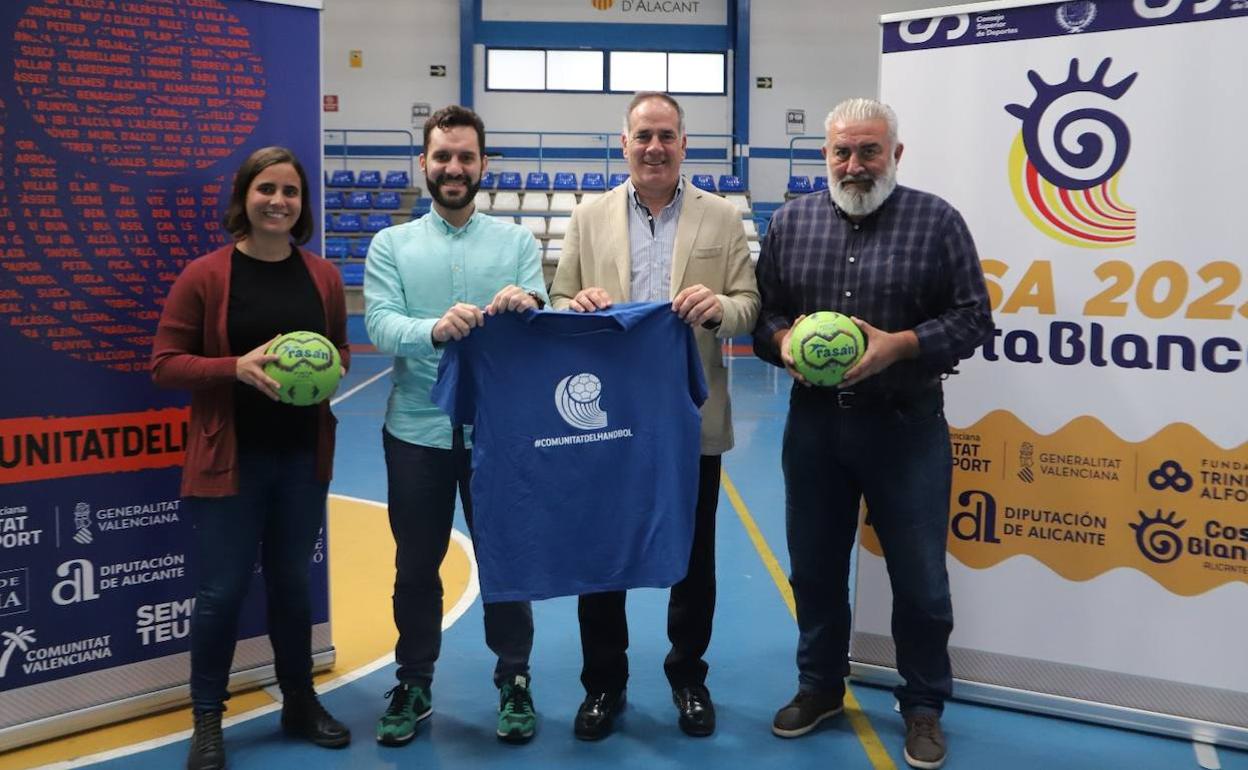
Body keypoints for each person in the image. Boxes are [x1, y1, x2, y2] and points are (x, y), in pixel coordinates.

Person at [752, 97, 993, 769]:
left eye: (868, 151)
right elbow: (764, 316)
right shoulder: (792, 223)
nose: (854, 165)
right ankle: (820, 686)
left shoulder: (936, 221)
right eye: (841, 152)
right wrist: (784, 342)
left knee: (920, 579)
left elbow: (975, 317)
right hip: (816, 431)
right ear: (823, 154)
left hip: (906, 427)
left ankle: (922, 706)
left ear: (895, 154)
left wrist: (903, 345)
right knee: (815, 569)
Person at [549, 91, 760, 740]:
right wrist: (575, 301)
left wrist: (721, 308)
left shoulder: (722, 218)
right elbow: (557, 298)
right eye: (643, 136)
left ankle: (687, 677)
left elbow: (751, 304)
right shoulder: (587, 215)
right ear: (625, 144)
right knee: (602, 553)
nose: (654, 147)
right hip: (606, 418)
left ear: (684, 144)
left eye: (666, 135)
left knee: (693, 558)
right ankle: (603, 685)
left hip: (689, 416)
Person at [151, 146, 351, 770]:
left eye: (291, 192)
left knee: (293, 586)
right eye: (267, 189)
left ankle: (299, 701)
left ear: (302, 205)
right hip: (230, 462)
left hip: (300, 460)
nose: (279, 202)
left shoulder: (321, 276)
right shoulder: (205, 276)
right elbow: (164, 364)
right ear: (244, 197)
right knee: (221, 593)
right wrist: (233, 368)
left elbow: (340, 352)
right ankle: (207, 720)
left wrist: (320, 373)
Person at [364, 105, 548, 746]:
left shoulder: (518, 242)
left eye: (466, 156)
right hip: (417, 434)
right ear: (424, 163)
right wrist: (434, 329)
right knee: (416, 566)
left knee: (506, 563)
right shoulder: (391, 244)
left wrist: (527, 304)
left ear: (483, 165)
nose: (453, 167)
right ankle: (413, 681)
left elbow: (540, 314)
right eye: (442, 156)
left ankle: (515, 680)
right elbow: (380, 323)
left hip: (498, 436)